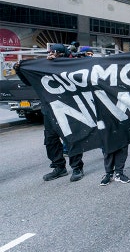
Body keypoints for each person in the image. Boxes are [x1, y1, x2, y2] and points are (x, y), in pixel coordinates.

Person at [14, 44, 85, 182]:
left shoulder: (70, 65)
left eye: (55, 52)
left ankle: (77, 167)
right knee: (50, 140)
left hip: (67, 108)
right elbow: (29, 81)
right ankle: (59, 167)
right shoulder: (43, 67)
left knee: (71, 138)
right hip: (49, 109)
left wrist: (58, 62)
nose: (51, 54)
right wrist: (19, 70)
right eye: (50, 52)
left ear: (62, 54)